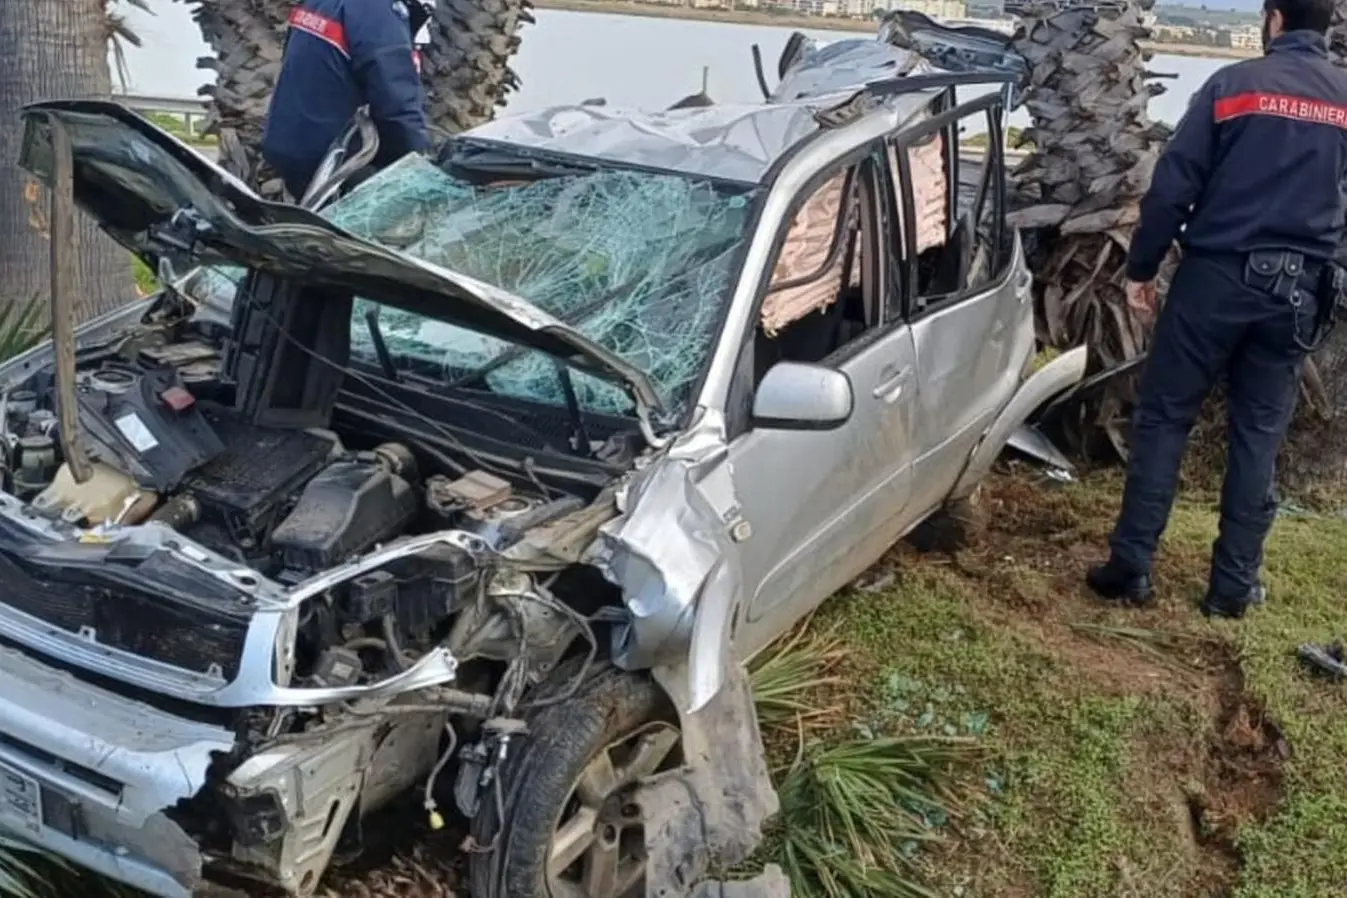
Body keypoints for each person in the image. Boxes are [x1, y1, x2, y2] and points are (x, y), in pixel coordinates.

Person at [1086, 0, 1347, 619]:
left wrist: (1141, 271)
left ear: (1274, 19)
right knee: (1258, 435)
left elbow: (1174, 185)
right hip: (1300, 293)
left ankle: (1131, 567)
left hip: (1216, 280)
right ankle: (1232, 588)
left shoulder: (1232, 86)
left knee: (1165, 417)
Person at [261, 0, 431, 201]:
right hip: (327, 164)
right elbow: (398, 107)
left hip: (285, 142)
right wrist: (421, 167)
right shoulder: (378, 15)